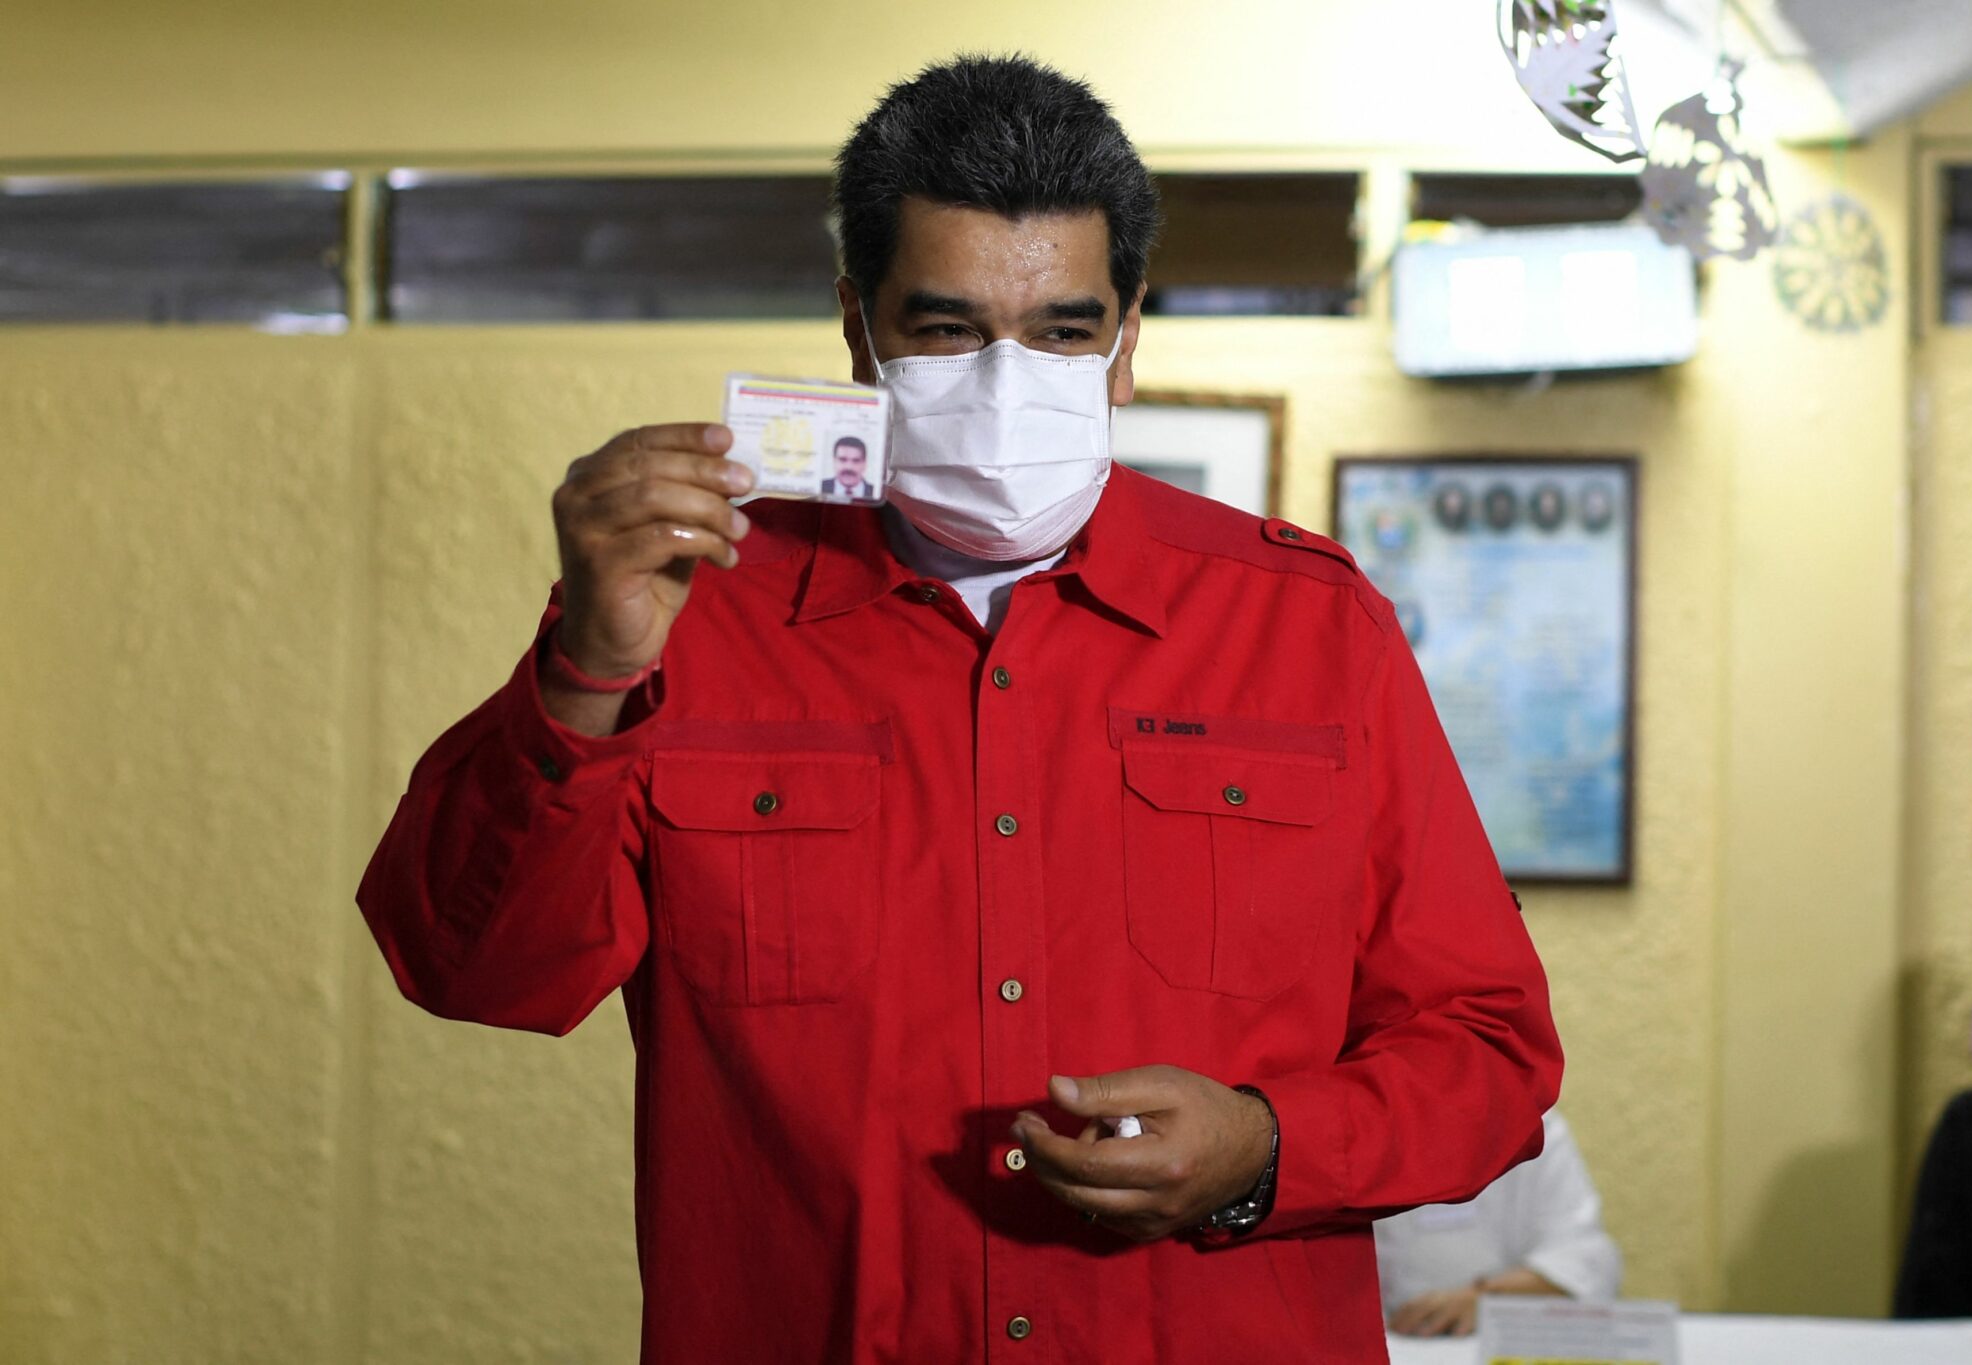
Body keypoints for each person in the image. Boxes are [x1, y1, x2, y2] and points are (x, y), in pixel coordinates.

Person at [357, 54, 1561, 1364]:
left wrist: (1267, 1148)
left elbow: (1491, 1052)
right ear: (856, 327)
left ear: (1129, 337)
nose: (1007, 377)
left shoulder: (1309, 626)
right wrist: (588, 668)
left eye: (1060, 329)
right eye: (945, 330)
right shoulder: (691, 612)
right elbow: (471, 970)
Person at [1374, 1109, 1622, 1338]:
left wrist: (1483, 1300)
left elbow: (1584, 1263)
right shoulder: (1353, 1124)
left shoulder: (1531, 1123)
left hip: (1505, 1342)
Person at [822, 434, 876, 499]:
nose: (849, 467)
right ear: (834, 461)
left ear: (864, 463)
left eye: (856, 461)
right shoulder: (820, 487)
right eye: (842, 459)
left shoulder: (875, 492)